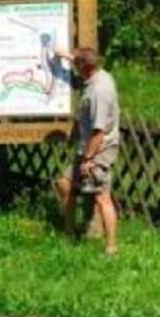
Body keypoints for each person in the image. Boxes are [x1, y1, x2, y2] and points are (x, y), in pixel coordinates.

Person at [53, 47, 120, 255]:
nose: (74, 66)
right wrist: (67, 56)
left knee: (102, 198)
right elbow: (84, 60)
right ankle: (70, 232)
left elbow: (99, 132)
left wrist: (88, 160)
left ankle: (111, 247)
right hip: (88, 148)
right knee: (64, 183)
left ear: (84, 67)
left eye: (76, 63)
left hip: (99, 150)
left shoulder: (99, 91)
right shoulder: (97, 74)